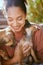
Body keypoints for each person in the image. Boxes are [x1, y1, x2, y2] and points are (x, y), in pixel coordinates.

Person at [0, 0, 43, 65]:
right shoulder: (3, 37)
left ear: (25, 15)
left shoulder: (37, 32)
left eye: (19, 19)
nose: (15, 24)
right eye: (10, 20)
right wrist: (15, 59)